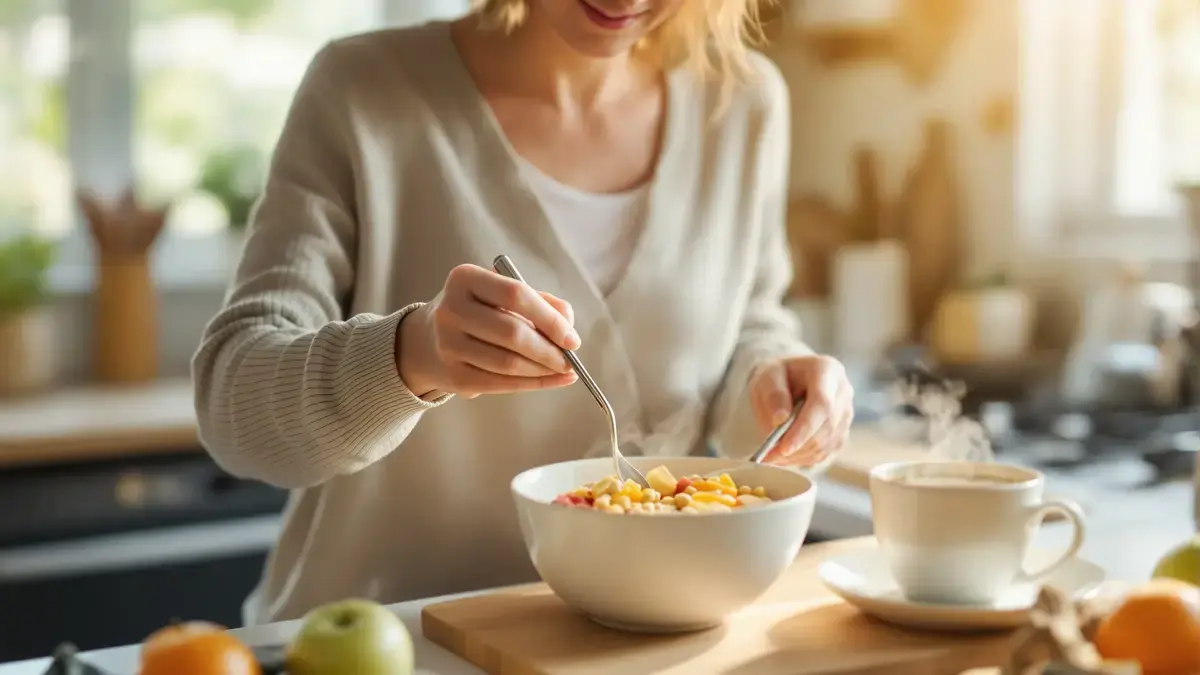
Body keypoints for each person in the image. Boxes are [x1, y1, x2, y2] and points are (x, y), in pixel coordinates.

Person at [192, 0, 855, 626]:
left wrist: (775, 386)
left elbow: (748, 321)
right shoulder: (363, 91)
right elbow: (233, 403)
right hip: (385, 643)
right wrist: (411, 355)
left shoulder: (741, 103)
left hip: (625, 645)